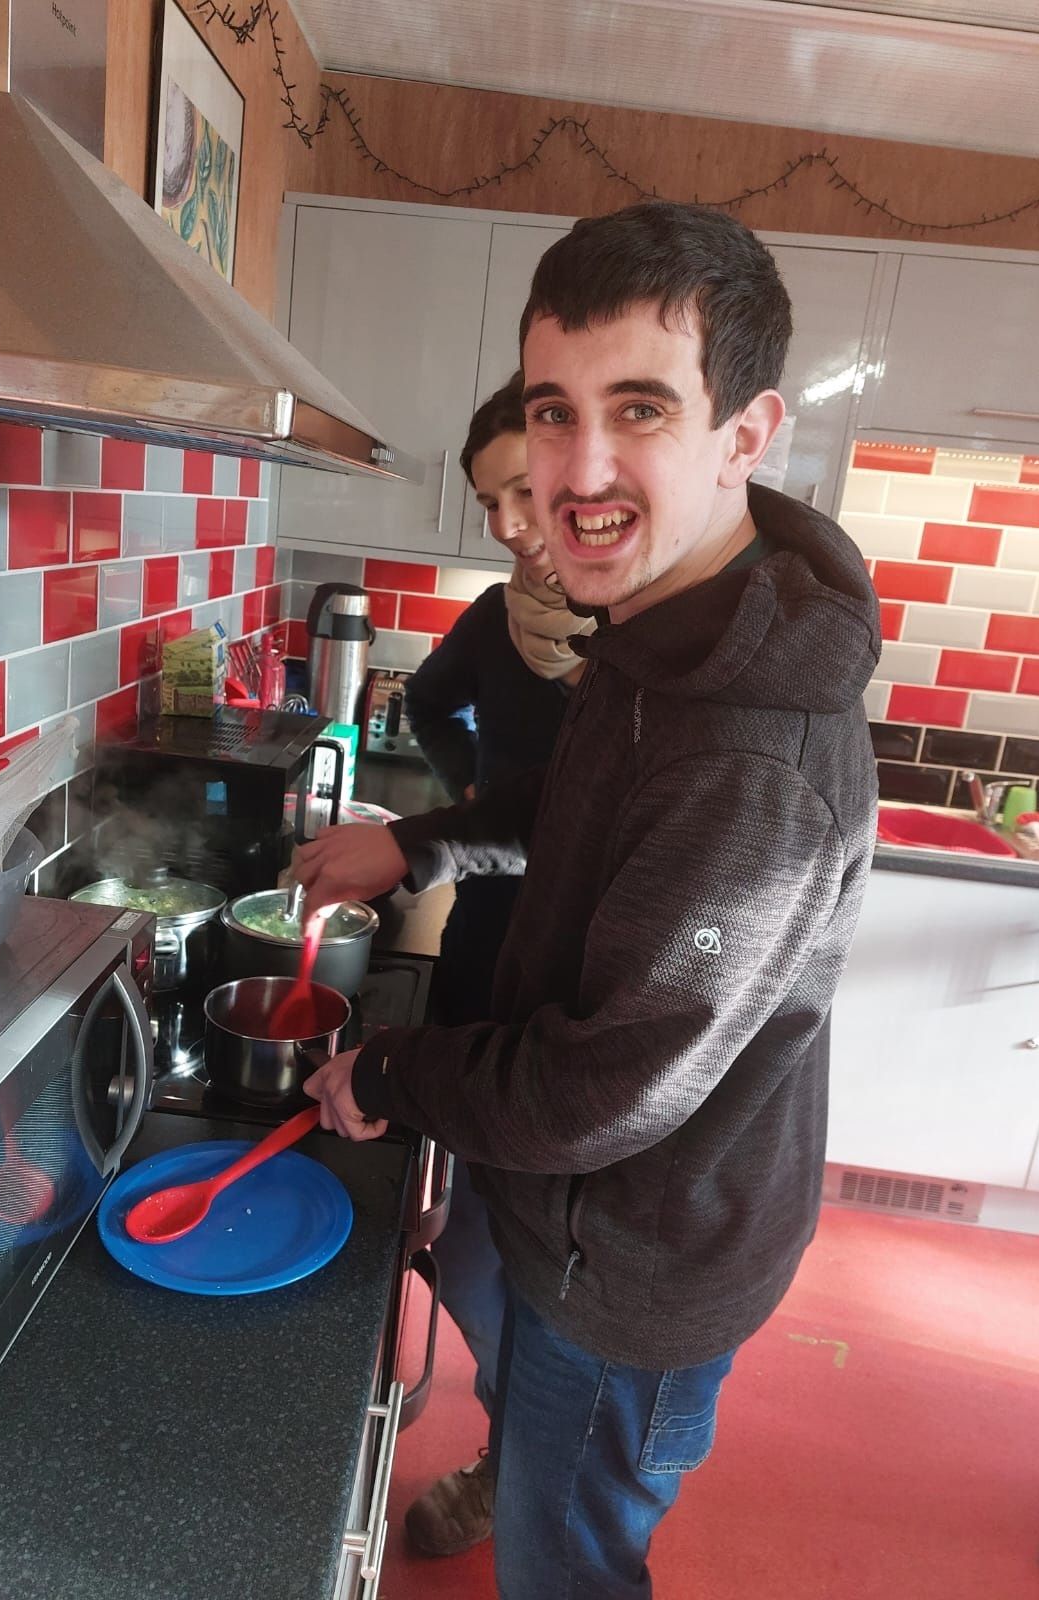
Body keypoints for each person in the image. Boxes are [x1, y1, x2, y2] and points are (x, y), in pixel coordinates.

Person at [297, 200, 880, 1599]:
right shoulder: (663, 626)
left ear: (749, 434)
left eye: (640, 410)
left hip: (634, 1264)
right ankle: (518, 1459)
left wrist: (390, 1067)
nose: (580, 469)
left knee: (574, 1564)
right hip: (571, 1212)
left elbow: (605, 1089)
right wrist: (419, 845)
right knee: (530, 1427)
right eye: (555, 413)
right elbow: (569, 812)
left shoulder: (750, 758)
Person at [401, 372, 593, 1558]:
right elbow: (427, 703)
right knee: (469, 1241)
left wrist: (455, 824)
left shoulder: (634, 645)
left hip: (579, 987)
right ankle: (507, 1441)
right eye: (492, 501)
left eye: (524, 491)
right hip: (487, 948)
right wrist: (466, 796)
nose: (513, 524)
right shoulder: (494, 618)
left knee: (549, 1263)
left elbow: (583, 818)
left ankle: (516, 1467)